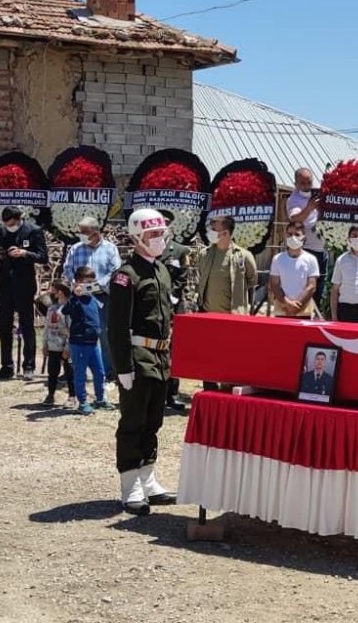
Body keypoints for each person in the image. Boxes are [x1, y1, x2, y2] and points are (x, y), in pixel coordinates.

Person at [109, 208, 178, 516]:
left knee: (153, 421)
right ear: (137, 237)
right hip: (138, 358)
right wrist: (123, 367)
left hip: (160, 357)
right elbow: (117, 326)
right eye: (153, 234)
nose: (159, 239)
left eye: (161, 233)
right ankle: (130, 486)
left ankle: (148, 479)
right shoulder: (126, 276)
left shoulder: (161, 270)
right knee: (133, 422)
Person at [0, 206, 48, 382]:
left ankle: (29, 366)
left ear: (19, 219)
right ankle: (6, 366)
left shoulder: (33, 231)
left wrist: (24, 253)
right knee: (5, 326)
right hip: (5, 283)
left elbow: (42, 256)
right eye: (6, 224)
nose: (9, 227)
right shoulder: (1, 231)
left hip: (24, 283)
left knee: (27, 325)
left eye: (12, 224)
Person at [61, 216, 121, 382]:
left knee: (104, 334)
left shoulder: (110, 249)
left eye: (84, 232)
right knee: (76, 333)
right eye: (80, 231)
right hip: (79, 298)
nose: (81, 234)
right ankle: (74, 370)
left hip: (102, 298)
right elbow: (67, 270)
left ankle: (108, 371)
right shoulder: (75, 249)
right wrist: (75, 284)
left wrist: (92, 287)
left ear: (96, 232)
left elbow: (114, 271)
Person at [156, 210, 193, 411]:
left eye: (166, 223)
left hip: (173, 305)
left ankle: (172, 393)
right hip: (153, 306)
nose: (163, 227)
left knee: (174, 350)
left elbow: (182, 277)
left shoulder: (179, 250)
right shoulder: (149, 248)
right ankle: (156, 392)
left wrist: (171, 298)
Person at [64, 266, 112, 416]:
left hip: (93, 343)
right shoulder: (75, 299)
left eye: (93, 281)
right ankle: (83, 402)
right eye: (87, 281)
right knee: (80, 374)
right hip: (79, 343)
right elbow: (65, 310)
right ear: (78, 282)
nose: (91, 284)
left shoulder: (93, 298)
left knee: (99, 372)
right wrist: (74, 294)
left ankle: (100, 399)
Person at [196, 216, 258, 315]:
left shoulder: (244, 256)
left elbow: (252, 280)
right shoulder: (204, 254)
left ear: (225, 233)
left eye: (214, 230)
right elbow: (200, 275)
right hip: (207, 314)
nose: (210, 232)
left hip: (233, 316)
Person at [287, 167, 327, 308]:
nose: (306, 186)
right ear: (296, 183)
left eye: (309, 182)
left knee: (319, 287)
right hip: (306, 249)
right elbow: (295, 219)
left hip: (322, 249)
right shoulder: (294, 199)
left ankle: (316, 315)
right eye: (302, 183)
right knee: (305, 287)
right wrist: (310, 207)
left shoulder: (318, 195)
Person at [269, 222, 320, 319]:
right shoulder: (277, 259)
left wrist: (296, 306)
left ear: (304, 238)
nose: (293, 237)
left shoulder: (311, 259)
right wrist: (287, 303)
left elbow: (312, 286)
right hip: (282, 310)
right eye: (290, 234)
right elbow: (274, 285)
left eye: (297, 234)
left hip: (303, 311)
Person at [41, 281, 74, 408]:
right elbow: (46, 327)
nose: (51, 292)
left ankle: (72, 396)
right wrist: (45, 344)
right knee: (52, 372)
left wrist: (68, 347)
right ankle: (50, 394)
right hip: (53, 345)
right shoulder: (51, 309)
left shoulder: (69, 309)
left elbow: (71, 329)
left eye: (53, 289)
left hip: (66, 346)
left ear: (60, 292)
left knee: (70, 372)